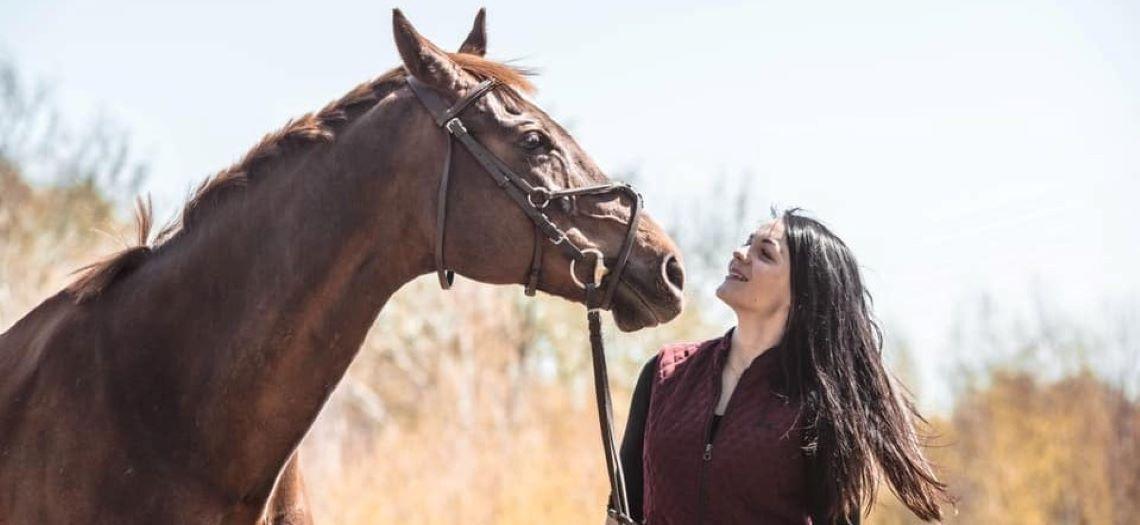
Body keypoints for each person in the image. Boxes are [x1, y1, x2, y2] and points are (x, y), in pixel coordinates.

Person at [606, 208, 948, 524]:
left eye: (764, 253)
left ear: (800, 294)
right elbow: (622, 509)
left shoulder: (819, 408)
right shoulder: (665, 374)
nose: (741, 254)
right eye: (746, 244)